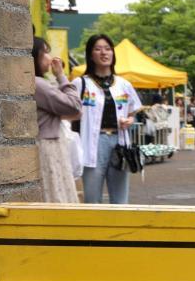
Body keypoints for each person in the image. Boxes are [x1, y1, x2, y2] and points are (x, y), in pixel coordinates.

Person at [77, 34, 143, 204]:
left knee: (120, 199)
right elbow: (68, 110)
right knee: (92, 199)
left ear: (113, 54)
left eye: (107, 49)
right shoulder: (80, 83)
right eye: (98, 49)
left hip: (119, 144)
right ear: (90, 55)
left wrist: (129, 119)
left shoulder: (123, 84)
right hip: (93, 143)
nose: (104, 53)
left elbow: (133, 110)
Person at [33, 36, 81, 203]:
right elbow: (74, 105)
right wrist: (61, 75)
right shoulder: (38, 84)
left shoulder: (34, 83)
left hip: (48, 143)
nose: (50, 57)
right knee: (57, 195)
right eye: (45, 53)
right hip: (49, 146)